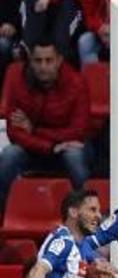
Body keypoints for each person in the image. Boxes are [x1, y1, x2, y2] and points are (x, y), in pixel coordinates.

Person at [0, 38, 89, 214]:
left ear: (59, 60)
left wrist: (35, 130)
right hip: (34, 148)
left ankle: (87, 214)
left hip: (64, 149)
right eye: (38, 61)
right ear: (30, 61)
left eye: (49, 60)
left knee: (75, 155)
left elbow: (78, 130)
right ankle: (3, 216)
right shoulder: (15, 77)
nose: (43, 66)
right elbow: (14, 131)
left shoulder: (76, 82)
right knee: (10, 155)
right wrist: (50, 145)